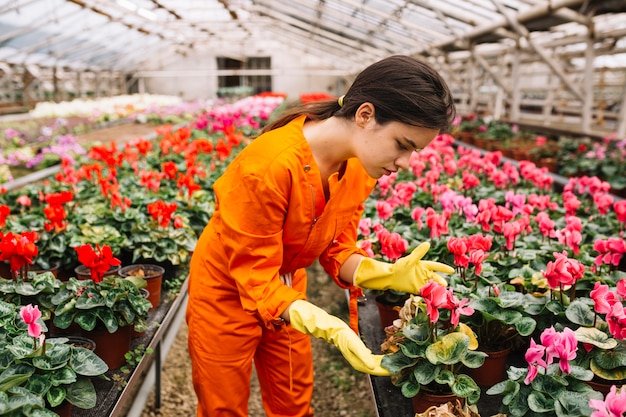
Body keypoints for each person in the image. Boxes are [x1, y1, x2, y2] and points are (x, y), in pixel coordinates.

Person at [186, 54, 457, 417]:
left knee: (293, 400)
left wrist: (388, 273)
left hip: (286, 283)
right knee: (222, 404)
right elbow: (254, 275)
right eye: (403, 144)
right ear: (365, 115)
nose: (406, 162)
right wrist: (329, 326)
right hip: (227, 287)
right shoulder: (268, 166)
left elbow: (337, 248)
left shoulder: (361, 167)